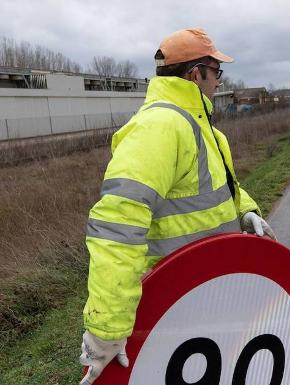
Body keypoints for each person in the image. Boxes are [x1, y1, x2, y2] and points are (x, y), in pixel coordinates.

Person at [78, 28, 275, 385]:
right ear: (196, 73)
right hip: (170, 304)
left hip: (211, 293)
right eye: (217, 72)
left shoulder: (204, 130)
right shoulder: (159, 127)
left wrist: (246, 212)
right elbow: (117, 226)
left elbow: (223, 189)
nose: (219, 82)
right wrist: (107, 328)